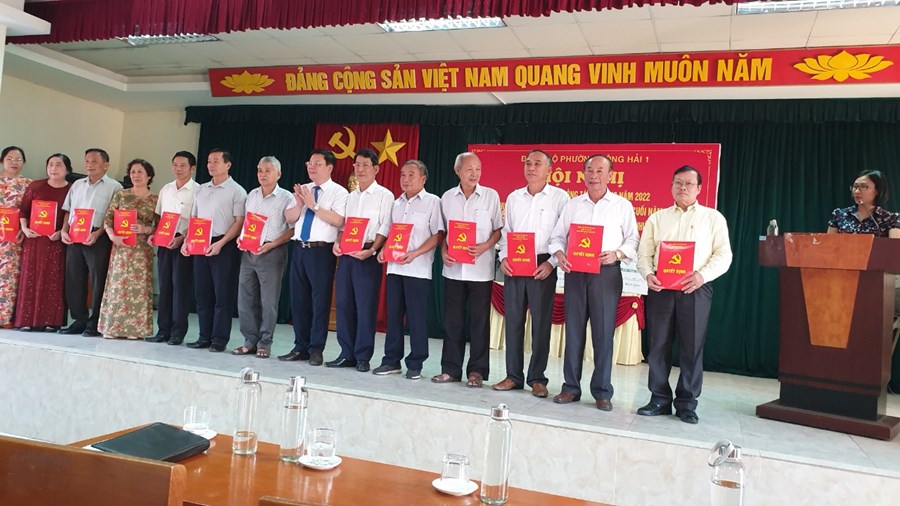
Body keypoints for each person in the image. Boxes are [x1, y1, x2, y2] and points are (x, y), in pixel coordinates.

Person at [636, 165, 733, 424]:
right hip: (661, 289)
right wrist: (648, 274)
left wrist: (702, 275)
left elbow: (724, 255)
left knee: (692, 348)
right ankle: (659, 399)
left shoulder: (713, 218)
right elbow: (644, 254)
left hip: (696, 288)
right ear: (671, 186)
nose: (683, 188)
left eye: (689, 184)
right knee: (658, 345)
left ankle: (687, 404)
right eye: (678, 183)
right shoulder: (657, 218)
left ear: (699, 188)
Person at [548, 154, 639, 411]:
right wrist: (559, 254)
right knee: (574, 332)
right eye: (589, 170)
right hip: (576, 275)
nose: (594, 175)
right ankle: (570, 388)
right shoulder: (573, 205)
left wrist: (617, 254)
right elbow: (557, 237)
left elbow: (633, 240)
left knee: (603, 334)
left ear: (610, 175)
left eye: (600, 171)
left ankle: (602, 391)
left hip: (606, 275)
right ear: (583, 174)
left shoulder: (622, 205)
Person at [493, 149, 568, 398]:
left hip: (543, 265)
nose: (531, 168)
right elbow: (507, 232)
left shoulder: (560, 197)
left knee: (541, 324)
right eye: (528, 163)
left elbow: (564, 235)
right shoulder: (514, 197)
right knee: (513, 321)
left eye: (537, 164)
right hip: (515, 263)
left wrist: (552, 264)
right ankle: (513, 376)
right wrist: (503, 257)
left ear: (549, 170)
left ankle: (537, 378)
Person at [432, 152, 502, 387]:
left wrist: (485, 246)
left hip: (481, 269)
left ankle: (477, 372)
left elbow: (498, 230)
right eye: (469, 169)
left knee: (479, 322)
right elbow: (442, 232)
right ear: (458, 171)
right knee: (453, 321)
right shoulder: (447, 197)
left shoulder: (491, 196)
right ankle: (450, 369)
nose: (475, 173)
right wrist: (443, 251)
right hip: (453, 269)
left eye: (478, 169)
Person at [373, 160, 444, 379]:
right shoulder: (396, 203)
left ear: (423, 178)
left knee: (416, 318)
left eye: (411, 175)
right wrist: (383, 250)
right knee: (393, 316)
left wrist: (416, 253)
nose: (405, 179)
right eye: (403, 174)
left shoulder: (433, 202)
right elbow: (390, 231)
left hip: (418, 270)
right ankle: (391, 360)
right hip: (395, 269)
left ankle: (416, 363)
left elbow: (438, 234)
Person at [279, 149, 348, 366]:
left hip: (321, 252)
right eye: (310, 163)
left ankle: (316, 348)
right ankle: (300, 346)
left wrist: (314, 206)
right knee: (299, 300)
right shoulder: (303, 189)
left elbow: (339, 221)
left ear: (329, 167)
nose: (312, 167)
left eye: (317, 163)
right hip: (299, 249)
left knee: (320, 302)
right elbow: (289, 218)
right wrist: (300, 204)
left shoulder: (339, 192)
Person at [327, 148, 393, 372]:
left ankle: (363, 355)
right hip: (347, 255)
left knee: (365, 306)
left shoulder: (385, 195)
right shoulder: (350, 196)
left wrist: (373, 250)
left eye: (365, 165)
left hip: (367, 255)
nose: (360, 169)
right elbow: (344, 225)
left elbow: (385, 226)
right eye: (357, 165)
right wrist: (337, 242)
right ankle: (346, 353)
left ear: (376, 169)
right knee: (344, 304)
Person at [181, 149, 247, 352]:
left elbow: (239, 222)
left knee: (222, 295)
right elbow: (194, 218)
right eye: (209, 161)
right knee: (202, 293)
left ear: (228, 165)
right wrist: (187, 241)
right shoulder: (201, 189)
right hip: (200, 242)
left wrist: (221, 243)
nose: (211, 165)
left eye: (216, 161)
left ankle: (219, 339)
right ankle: (204, 337)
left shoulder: (237, 191)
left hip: (224, 245)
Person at [232, 156, 294, 359]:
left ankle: (265, 343)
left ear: (278, 174)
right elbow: (248, 223)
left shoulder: (286, 197)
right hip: (249, 252)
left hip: (272, 252)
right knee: (245, 298)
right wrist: (241, 238)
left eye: (268, 170)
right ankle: (249, 341)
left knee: (268, 300)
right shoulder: (252, 194)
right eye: (260, 170)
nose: (262, 174)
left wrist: (272, 244)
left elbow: (293, 229)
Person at [59, 148, 123, 337]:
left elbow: (114, 217)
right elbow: (68, 211)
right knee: (74, 279)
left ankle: (95, 322)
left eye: (94, 161)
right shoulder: (77, 185)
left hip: (98, 236)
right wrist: (64, 230)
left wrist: (97, 233)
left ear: (106, 165)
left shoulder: (115, 187)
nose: (89, 165)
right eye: (87, 161)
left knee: (98, 280)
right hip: (74, 235)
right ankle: (79, 320)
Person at [97, 159, 159, 339]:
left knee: (138, 288)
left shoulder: (156, 199)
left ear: (149, 176)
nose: (136, 175)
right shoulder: (121, 195)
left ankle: (136, 330)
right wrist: (112, 236)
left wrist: (146, 229)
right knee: (118, 286)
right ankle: (112, 327)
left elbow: (162, 227)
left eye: (140, 172)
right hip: (121, 248)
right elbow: (108, 219)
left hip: (142, 250)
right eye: (133, 172)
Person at [15, 154, 72, 331]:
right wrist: (25, 228)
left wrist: (62, 231)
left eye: (58, 165)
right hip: (34, 240)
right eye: (50, 165)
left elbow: (71, 214)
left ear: (67, 169)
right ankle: (26, 320)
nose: (53, 168)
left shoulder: (72, 189)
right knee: (30, 277)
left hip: (56, 241)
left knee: (54, 279)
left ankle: (51, 321)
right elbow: (24, 210)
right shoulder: (35, 186)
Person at [146, 151, 198, 345]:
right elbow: (160, 217)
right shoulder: (166, 189)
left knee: (180, 288)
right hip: (164, 241)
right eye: (175, 165)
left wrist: (182, 239)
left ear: (192, 168)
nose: (178, 169)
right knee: (165, 286)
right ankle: (163, 330)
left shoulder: (198, 191)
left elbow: (197, 221)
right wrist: (154, 233)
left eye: (183, 165)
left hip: (184, 243)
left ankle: (178, 332)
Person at [0, 146, 33, 328]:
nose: (14, 162)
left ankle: (4, 318)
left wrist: (24, 227)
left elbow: (31, 211)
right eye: (10, 158)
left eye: (18, 159)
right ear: (2, 161)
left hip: (14, 237)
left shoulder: (29, 184)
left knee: (9, 277)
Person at [827, 170, 900, 238]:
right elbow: (828, 244)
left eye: (864, 186)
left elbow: (895, 246)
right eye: (855, 187)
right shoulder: (839, 215)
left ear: (878, 191)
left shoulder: (891, 219)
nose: (857, 191)